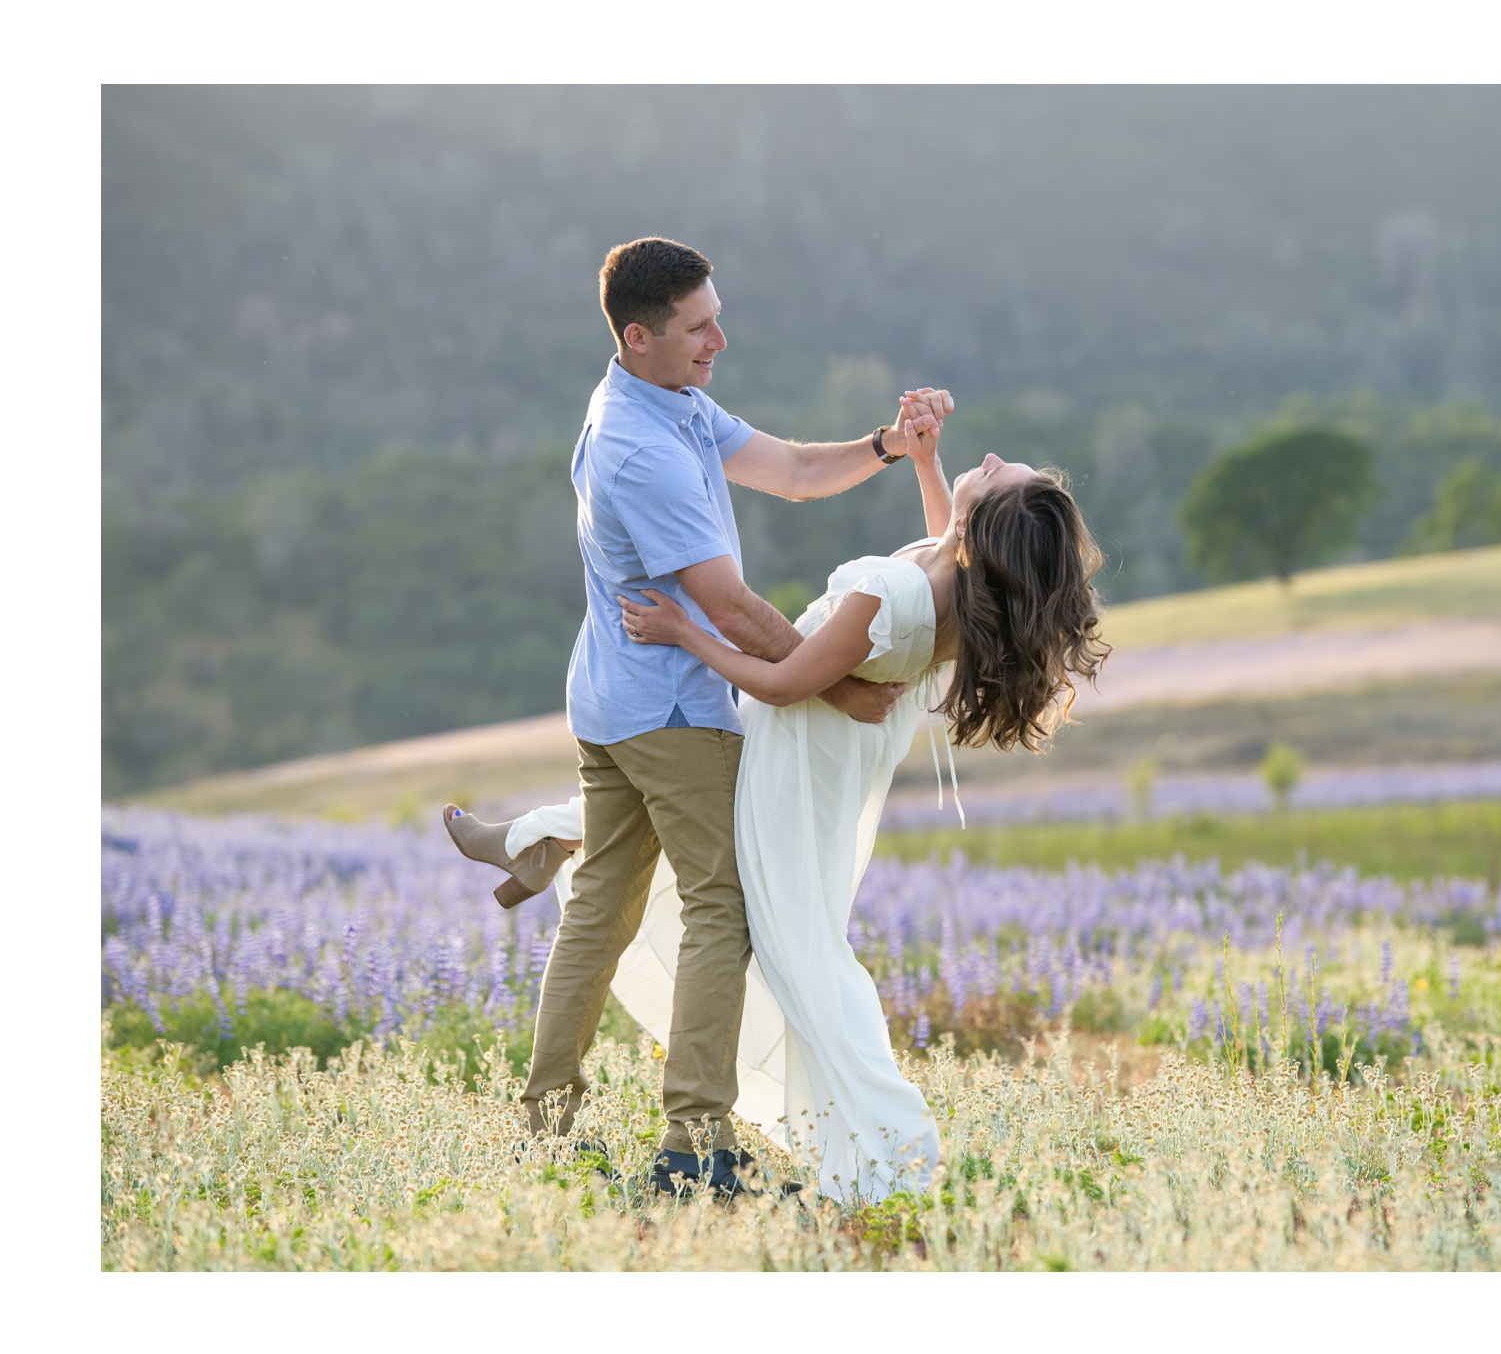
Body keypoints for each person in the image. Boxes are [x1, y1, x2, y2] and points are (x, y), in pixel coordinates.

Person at [453, 409, 1110, 1203]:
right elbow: (945, 550)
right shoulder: (964, 593)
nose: (995, 454)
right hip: (831, 757)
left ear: (981, 522)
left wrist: (682, 631)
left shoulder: (893, 593)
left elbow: (782, 679)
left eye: (999, 470)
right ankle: (539, 841)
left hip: (792, 747)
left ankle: (692, 1133)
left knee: (737, 889)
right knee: (687, 827)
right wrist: (930, 468)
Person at [443, 234, 950, 1194]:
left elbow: (796, 470)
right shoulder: (643, 454)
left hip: (608, 694)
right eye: (699, 327)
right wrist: (830, 681)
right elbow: (728, 610)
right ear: (639, 337)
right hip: (667, 709)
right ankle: (695, 1147)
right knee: (721, 906)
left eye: (716, 315)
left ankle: (546, 1123)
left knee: (598, 911)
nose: (721, 337)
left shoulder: (664, 399)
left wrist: (888, 447)